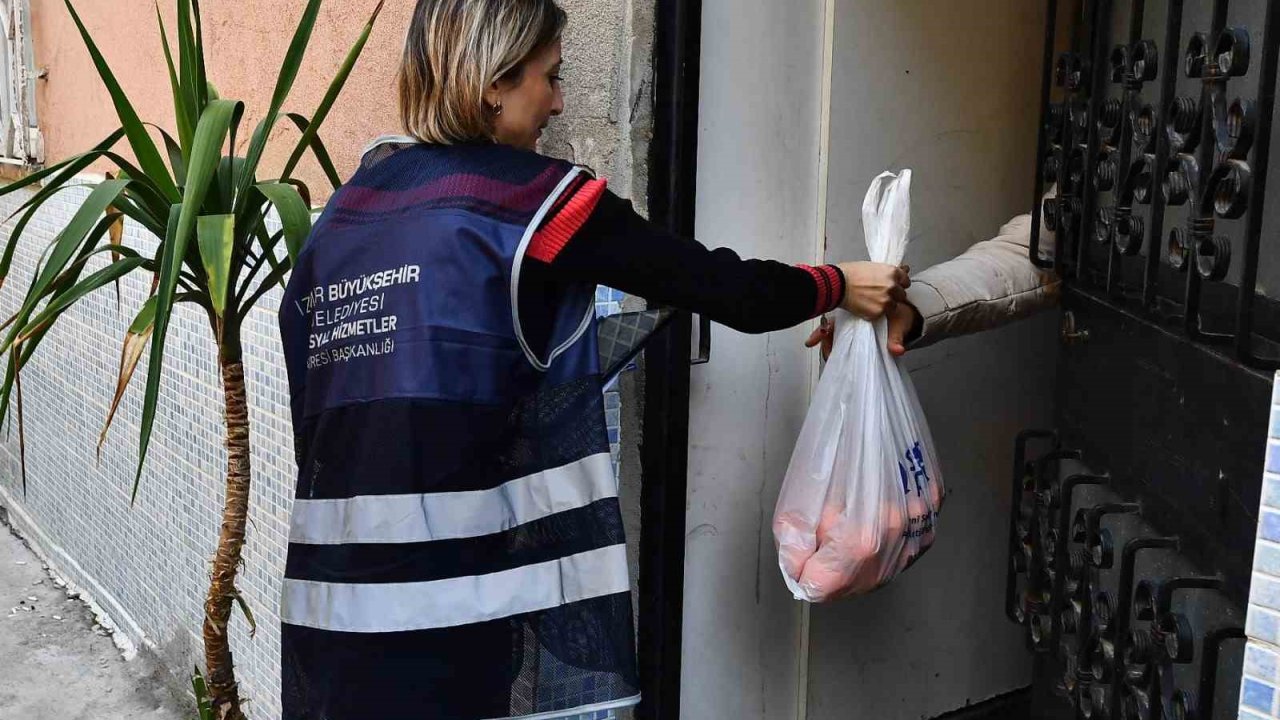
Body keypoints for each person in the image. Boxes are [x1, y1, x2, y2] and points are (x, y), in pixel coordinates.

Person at [275, 1, 916, 718]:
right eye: (550, 78)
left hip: (326, 620)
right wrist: (837, 284)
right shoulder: (536, 204)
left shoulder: (346, 212)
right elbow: (720, 285)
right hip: (450, 626)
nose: (555, 102)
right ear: (494, 81)